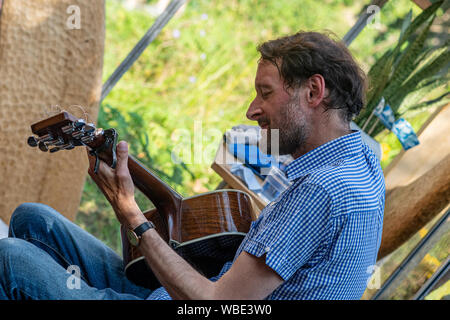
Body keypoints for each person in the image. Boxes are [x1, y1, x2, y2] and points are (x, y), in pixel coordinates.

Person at [0, 31, 385, 300]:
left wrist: (132, 216)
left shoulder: (319, 190)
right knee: (35, 221)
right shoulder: (361, 162)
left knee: (11, 261)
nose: (252, 111)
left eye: (265, 94)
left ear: (314, 92)